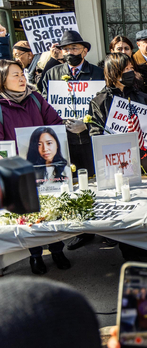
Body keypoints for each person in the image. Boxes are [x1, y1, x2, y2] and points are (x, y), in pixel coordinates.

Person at [0, 60, 70, 274]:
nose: (22, 78)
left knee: (53, 207)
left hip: (46, 166)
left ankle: (57, 249)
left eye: (22, 74)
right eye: (15, 75)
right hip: (18, 171)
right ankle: (35, 255)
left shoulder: (36, 99)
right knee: (29, 213)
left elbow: (55, 123)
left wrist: (67, 127)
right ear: (2, 80)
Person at [40, 30, 104, 251]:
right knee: (73, 184)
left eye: (74, 49)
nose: (70, 53)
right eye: (66, 49)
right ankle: (82, 230)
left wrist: (87, 125)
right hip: (64, 140)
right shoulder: (52, 74)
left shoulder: (97, 73)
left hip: (90, 138)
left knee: (96, 182)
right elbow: (44, 104)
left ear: (84, 51)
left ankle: (104, 227)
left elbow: (104, 106)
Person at [88, 53, 147, 172]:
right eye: (126, 69)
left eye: (131, 68)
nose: (130, 72)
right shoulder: (99, 102)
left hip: (145, 164)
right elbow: (96, 134)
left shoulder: (142, 97)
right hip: (115, 166)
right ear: (114, 72)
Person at [109, 35, 147, 106]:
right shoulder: (106, 72)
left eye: (126, 48)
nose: (123, 52)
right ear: (112, 51)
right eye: (119, 49)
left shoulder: (143, 70)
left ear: (131, 50)